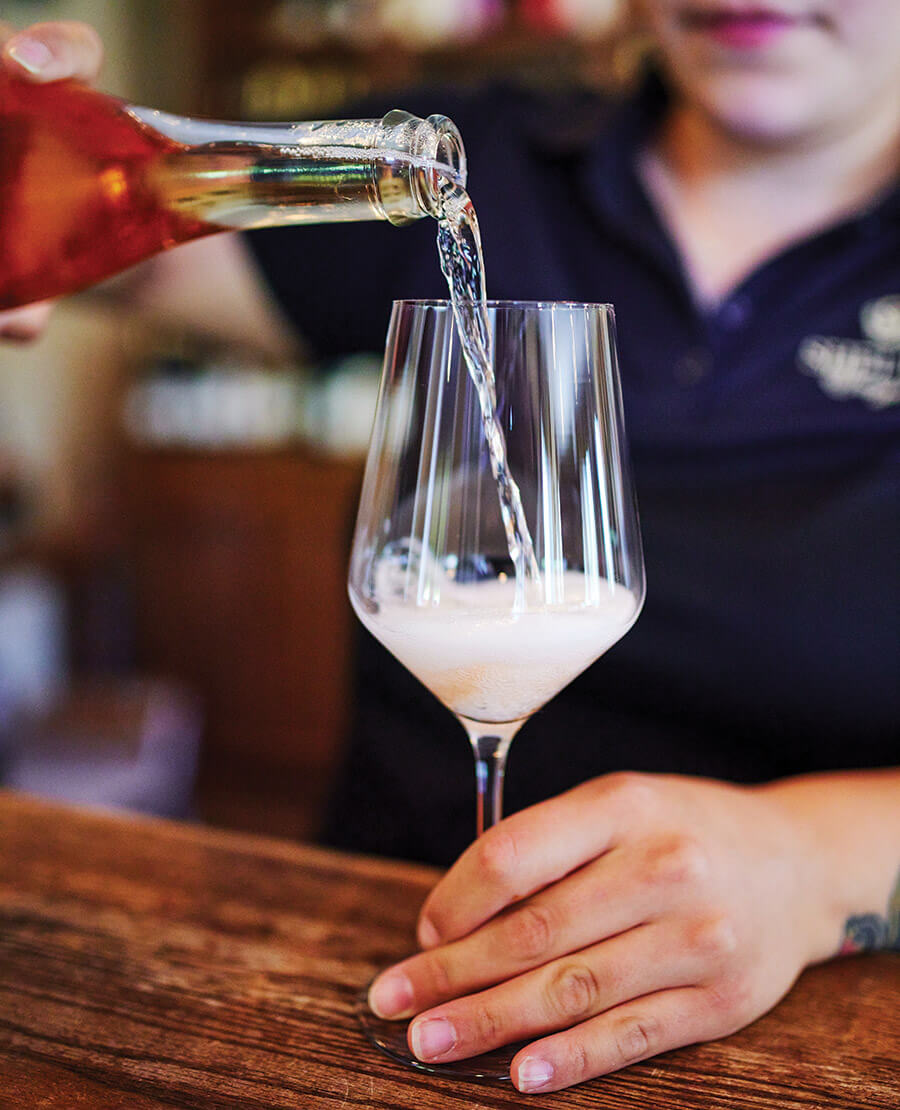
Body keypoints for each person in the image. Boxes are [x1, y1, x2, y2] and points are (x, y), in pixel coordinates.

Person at [2, 3, 898, 1095]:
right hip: (348, 968)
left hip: (801, 1038)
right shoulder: (477, 158)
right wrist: (34, 163)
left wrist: (820, 863)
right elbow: (115, 229)